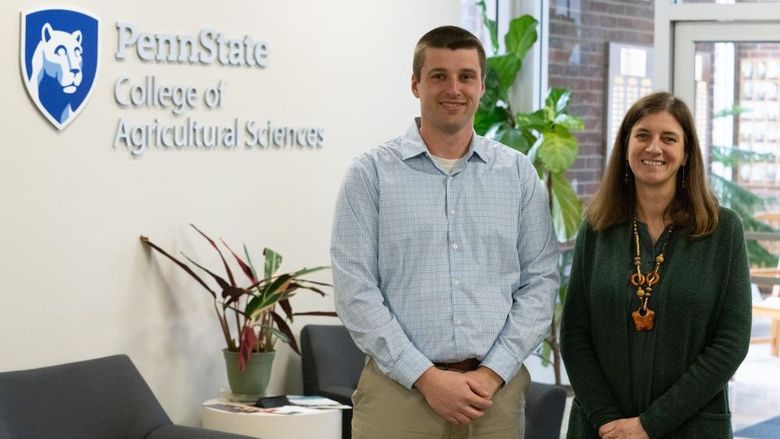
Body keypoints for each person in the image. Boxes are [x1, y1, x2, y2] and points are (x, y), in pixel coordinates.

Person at [330, 25, 559, 438]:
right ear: (415, 83)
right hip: (398, 399)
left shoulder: (518, 175)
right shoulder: (370, 175)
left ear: (482, 86)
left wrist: (492, 372)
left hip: (494, 400)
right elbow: (355, 290)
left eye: (466, 76)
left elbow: (541, 284)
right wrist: (425, 377)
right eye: (438, 75)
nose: (453, 88)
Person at [560, 92, 752, 439]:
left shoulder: (723, 230)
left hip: (690, 426)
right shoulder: (597, 226)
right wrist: (607, 420)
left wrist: (650, 425)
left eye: (669, 138)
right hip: (603, 429)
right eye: (643, 135)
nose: (654, 148)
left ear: (686, 153)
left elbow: (731, 343)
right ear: (626, 146)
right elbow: (574, 334)